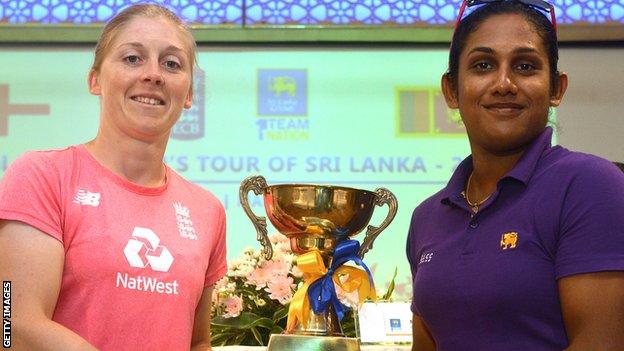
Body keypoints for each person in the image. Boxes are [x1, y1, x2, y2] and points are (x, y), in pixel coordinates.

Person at [0, 4, 226, 350]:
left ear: (190, 94)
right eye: (132, 58)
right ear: (95, 80)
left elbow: (198, 343)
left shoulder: (207, 210)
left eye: (172, 63)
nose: (154, 74)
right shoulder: (41, 177)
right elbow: (13, 324)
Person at [406, 1, 624, 350]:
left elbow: (602, 344)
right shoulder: (427, 217)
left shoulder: (590, 185)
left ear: (556, 89)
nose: (504, 83)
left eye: (525, 66)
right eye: (483, 65)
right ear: (451, 90)